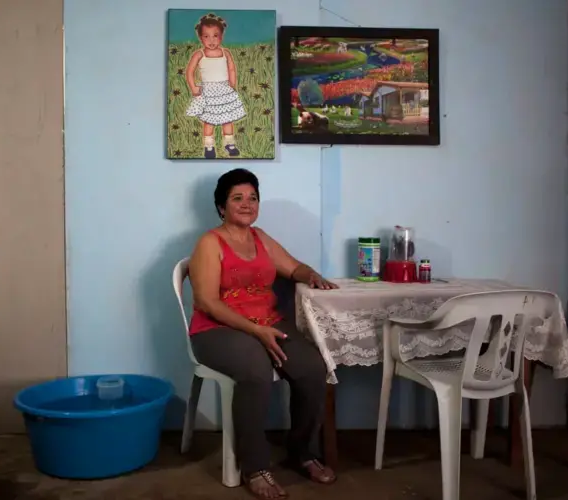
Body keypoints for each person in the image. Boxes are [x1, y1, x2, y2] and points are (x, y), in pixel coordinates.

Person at [188, 168, 339, 499]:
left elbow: (293, 267)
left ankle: (303, 453)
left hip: (267, 323)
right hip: (217, 329)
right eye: (237, 198)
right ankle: (254, 467)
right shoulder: (209, 243)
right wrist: (256, 331)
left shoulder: (260, 238)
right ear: (221, 206)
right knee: (255, 370)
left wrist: (310, 274)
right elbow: (207, 302)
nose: (246, 204)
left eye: (253, 197)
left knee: (313, 367)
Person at [185, 13, 246, 159]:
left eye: (215, 36)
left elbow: (231, 68)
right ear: (200, 38)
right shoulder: (199, 54)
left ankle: (229, 144)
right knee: (209, 120)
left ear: (221, 36)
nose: (211, 40)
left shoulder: (225, 52)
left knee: (227, 119)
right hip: (208, 91)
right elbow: (189, 72)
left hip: (224, 90)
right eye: (206, 36)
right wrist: (193, 88)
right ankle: (209, 146)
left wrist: (232, 83)